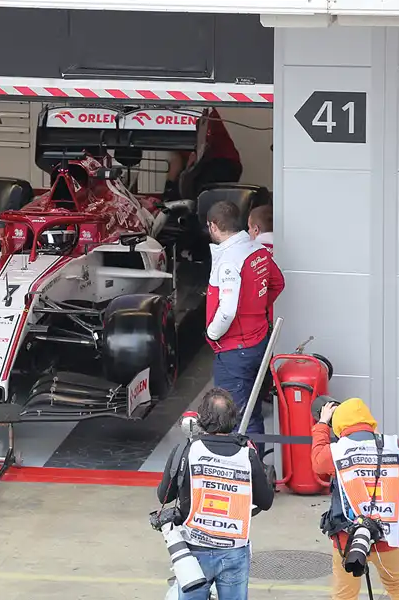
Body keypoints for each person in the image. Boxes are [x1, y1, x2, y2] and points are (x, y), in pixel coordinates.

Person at [156, 388, 274, 600]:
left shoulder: (186, 450)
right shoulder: (247, 454)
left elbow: (164, 495)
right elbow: (265, 501)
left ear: (202, 420)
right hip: (234, 550)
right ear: (233, 419)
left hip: (194, 550)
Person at [312, 398, 399, 600]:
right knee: (396, 584)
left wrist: (322, 424)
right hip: (389, 534)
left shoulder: (337, 451)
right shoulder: (392, 444)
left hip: (348, 535)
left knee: (346, 593)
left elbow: (318, 462)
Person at [205, 200, 285, 456]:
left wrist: (211, 333)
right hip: (259, 341)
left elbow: (227, 310)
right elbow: (277, 283)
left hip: (234, 349)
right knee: (252, 412)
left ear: (214, 226)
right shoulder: (257, 250)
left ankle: (245, 473)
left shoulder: (229, 259)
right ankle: (256, 466)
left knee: (237, 416)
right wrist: (256, 309)